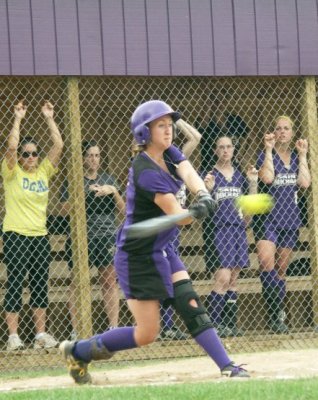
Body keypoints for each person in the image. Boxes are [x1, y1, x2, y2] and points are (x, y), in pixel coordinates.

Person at [59, 100, 249, 384]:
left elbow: (187, 170)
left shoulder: (168, 153)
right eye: (161, 125)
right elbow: (178, 216)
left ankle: (226, 365)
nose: (168, 130)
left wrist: (203, 194)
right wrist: (195, 212)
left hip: (163, 247)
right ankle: (78, 350)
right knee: (147, 333)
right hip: (138, 256)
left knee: (190, 303)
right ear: (143, 133)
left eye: (170, 125)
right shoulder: (145, 171)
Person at [2, 100, 63, 351]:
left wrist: (49, 118)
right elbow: (11, 147)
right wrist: (18, 118)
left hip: (39, 234)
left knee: (39, 282)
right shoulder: (12, 171)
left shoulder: (42, 172)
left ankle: (40, 335)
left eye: (33, 153)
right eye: (25, 154)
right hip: (16, 233)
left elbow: (59, 145)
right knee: (16, 281)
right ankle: (14, 336)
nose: (29, 157)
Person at [59, 140, 125, 339]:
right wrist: (83, 193)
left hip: (106, 236)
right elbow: (63, 210)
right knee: (78, 282)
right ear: (82, 158)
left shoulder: (108, 179)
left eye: (97, 155)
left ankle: (113, 328)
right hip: (82, 237)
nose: (94, 159)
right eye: (90, 155)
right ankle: (77, 330)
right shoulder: (74, 180)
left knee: (109, 282)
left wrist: (112, 191)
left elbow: (123, 211)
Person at [253, 116, 311, 333]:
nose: (282, 132)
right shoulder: (264, 155)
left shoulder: (297, 157)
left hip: (290, 219)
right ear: (273, 133)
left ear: (292, 132)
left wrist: (304, 155)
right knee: (267, 264)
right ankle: (275, 316)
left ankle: (278, 316)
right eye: (278, 128)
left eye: (286, 128)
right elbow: (267, 178)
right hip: (268, 219)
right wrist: (268, 150)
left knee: (281, 269)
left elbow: (304, 183)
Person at [203, 135, 258, 337]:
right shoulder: (209, 175)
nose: (225, 150)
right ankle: (212, 326)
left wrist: (253, 183)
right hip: (219, 230)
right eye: (221, 147)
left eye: (228, 147)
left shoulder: (240, 177)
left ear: (234, 150)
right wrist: (207, 191)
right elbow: (202, 209)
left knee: (234, 279)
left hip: (238, 230)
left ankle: (229, 324)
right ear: (216, 151)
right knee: (222, 278)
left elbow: (248, 213)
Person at [159, 118, 201, 340]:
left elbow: (196, 138)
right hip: (163, 223)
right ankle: (166, 325)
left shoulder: (177, 159)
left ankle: (169, 325)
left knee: (173, 274)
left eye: (171, 131)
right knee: (166, 273)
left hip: (176, 225)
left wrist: (179, 120)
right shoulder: (154, 161)